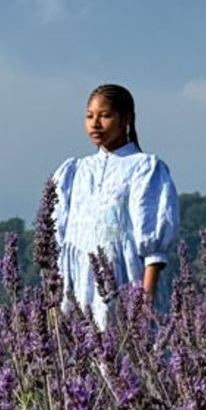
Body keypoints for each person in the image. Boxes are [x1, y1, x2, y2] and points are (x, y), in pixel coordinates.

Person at [49, 83, 181, 327]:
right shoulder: (74, 171)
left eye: (105, 115)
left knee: (124, 356)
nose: (95, 123)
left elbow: (153, 243)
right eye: (89, 116)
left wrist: (145, 298)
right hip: (77, 289)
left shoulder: (145, 168)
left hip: (124, 282)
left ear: (127, 118)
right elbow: (57, 238)